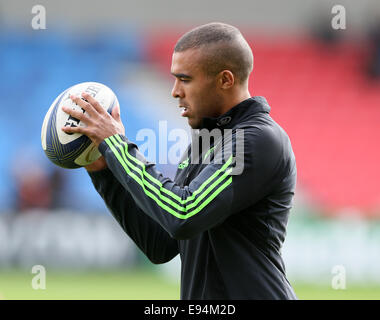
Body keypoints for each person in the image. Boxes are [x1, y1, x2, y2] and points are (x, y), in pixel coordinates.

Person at [61, 22, 297, 300]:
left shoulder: (257, 140)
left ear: (225, 80)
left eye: (185, 79)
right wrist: (103, 171)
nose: (175, 91)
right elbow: (160, 244)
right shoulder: (206, 142)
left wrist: (116, 145)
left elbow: (183, 214)